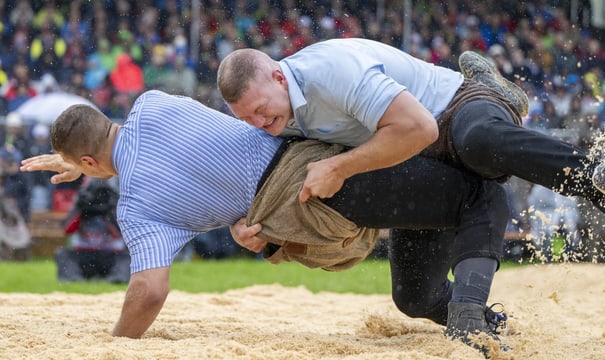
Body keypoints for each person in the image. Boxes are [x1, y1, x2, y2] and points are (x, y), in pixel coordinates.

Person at [216, 38, 605, 353]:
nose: (258, 122)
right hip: (414, 157)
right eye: (247, 118)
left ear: (278, 74)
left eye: (259, 109)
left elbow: (420, 129)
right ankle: (489, 324)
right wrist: (249, 226)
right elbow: (262, 181)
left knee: (477, 141)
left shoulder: (331, 71)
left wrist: (339, 166)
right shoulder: (276, 117)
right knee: (414, 296)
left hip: (451, 108)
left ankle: (597, 178)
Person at [21, 90, 511, 357]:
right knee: (415, 294)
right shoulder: (152, 105)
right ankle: (486, 323)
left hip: (317, 194)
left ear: (87, 163)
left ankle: (472, 306)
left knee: (474, 192)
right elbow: (183, 149)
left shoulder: (135, 208)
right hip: (319, 157)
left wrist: (117, 343)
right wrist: (85, 158)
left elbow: (149, 292)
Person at [54, 177, 130, 283]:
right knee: (62, 253)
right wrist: (80, 208)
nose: (97, 196)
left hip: (111, 254)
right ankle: (73, 279)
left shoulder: (115, 203)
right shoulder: (81, 202)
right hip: (83, 253)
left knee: (128, 257)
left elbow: (122, 233)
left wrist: (109, 210)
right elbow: (66, 229)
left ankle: (117, 279)